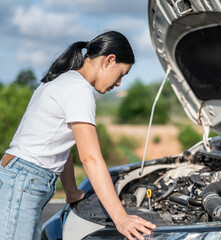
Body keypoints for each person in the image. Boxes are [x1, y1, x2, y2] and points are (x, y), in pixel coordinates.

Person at [0, 31, 156, 240]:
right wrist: (121, 218)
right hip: (24, 180)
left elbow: (63, 147)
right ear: (109, 60)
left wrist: (71, 191)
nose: (119, 83)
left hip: (22, 178)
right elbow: (90, 158)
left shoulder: (64, 81)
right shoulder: (79, 89)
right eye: (121, 74)